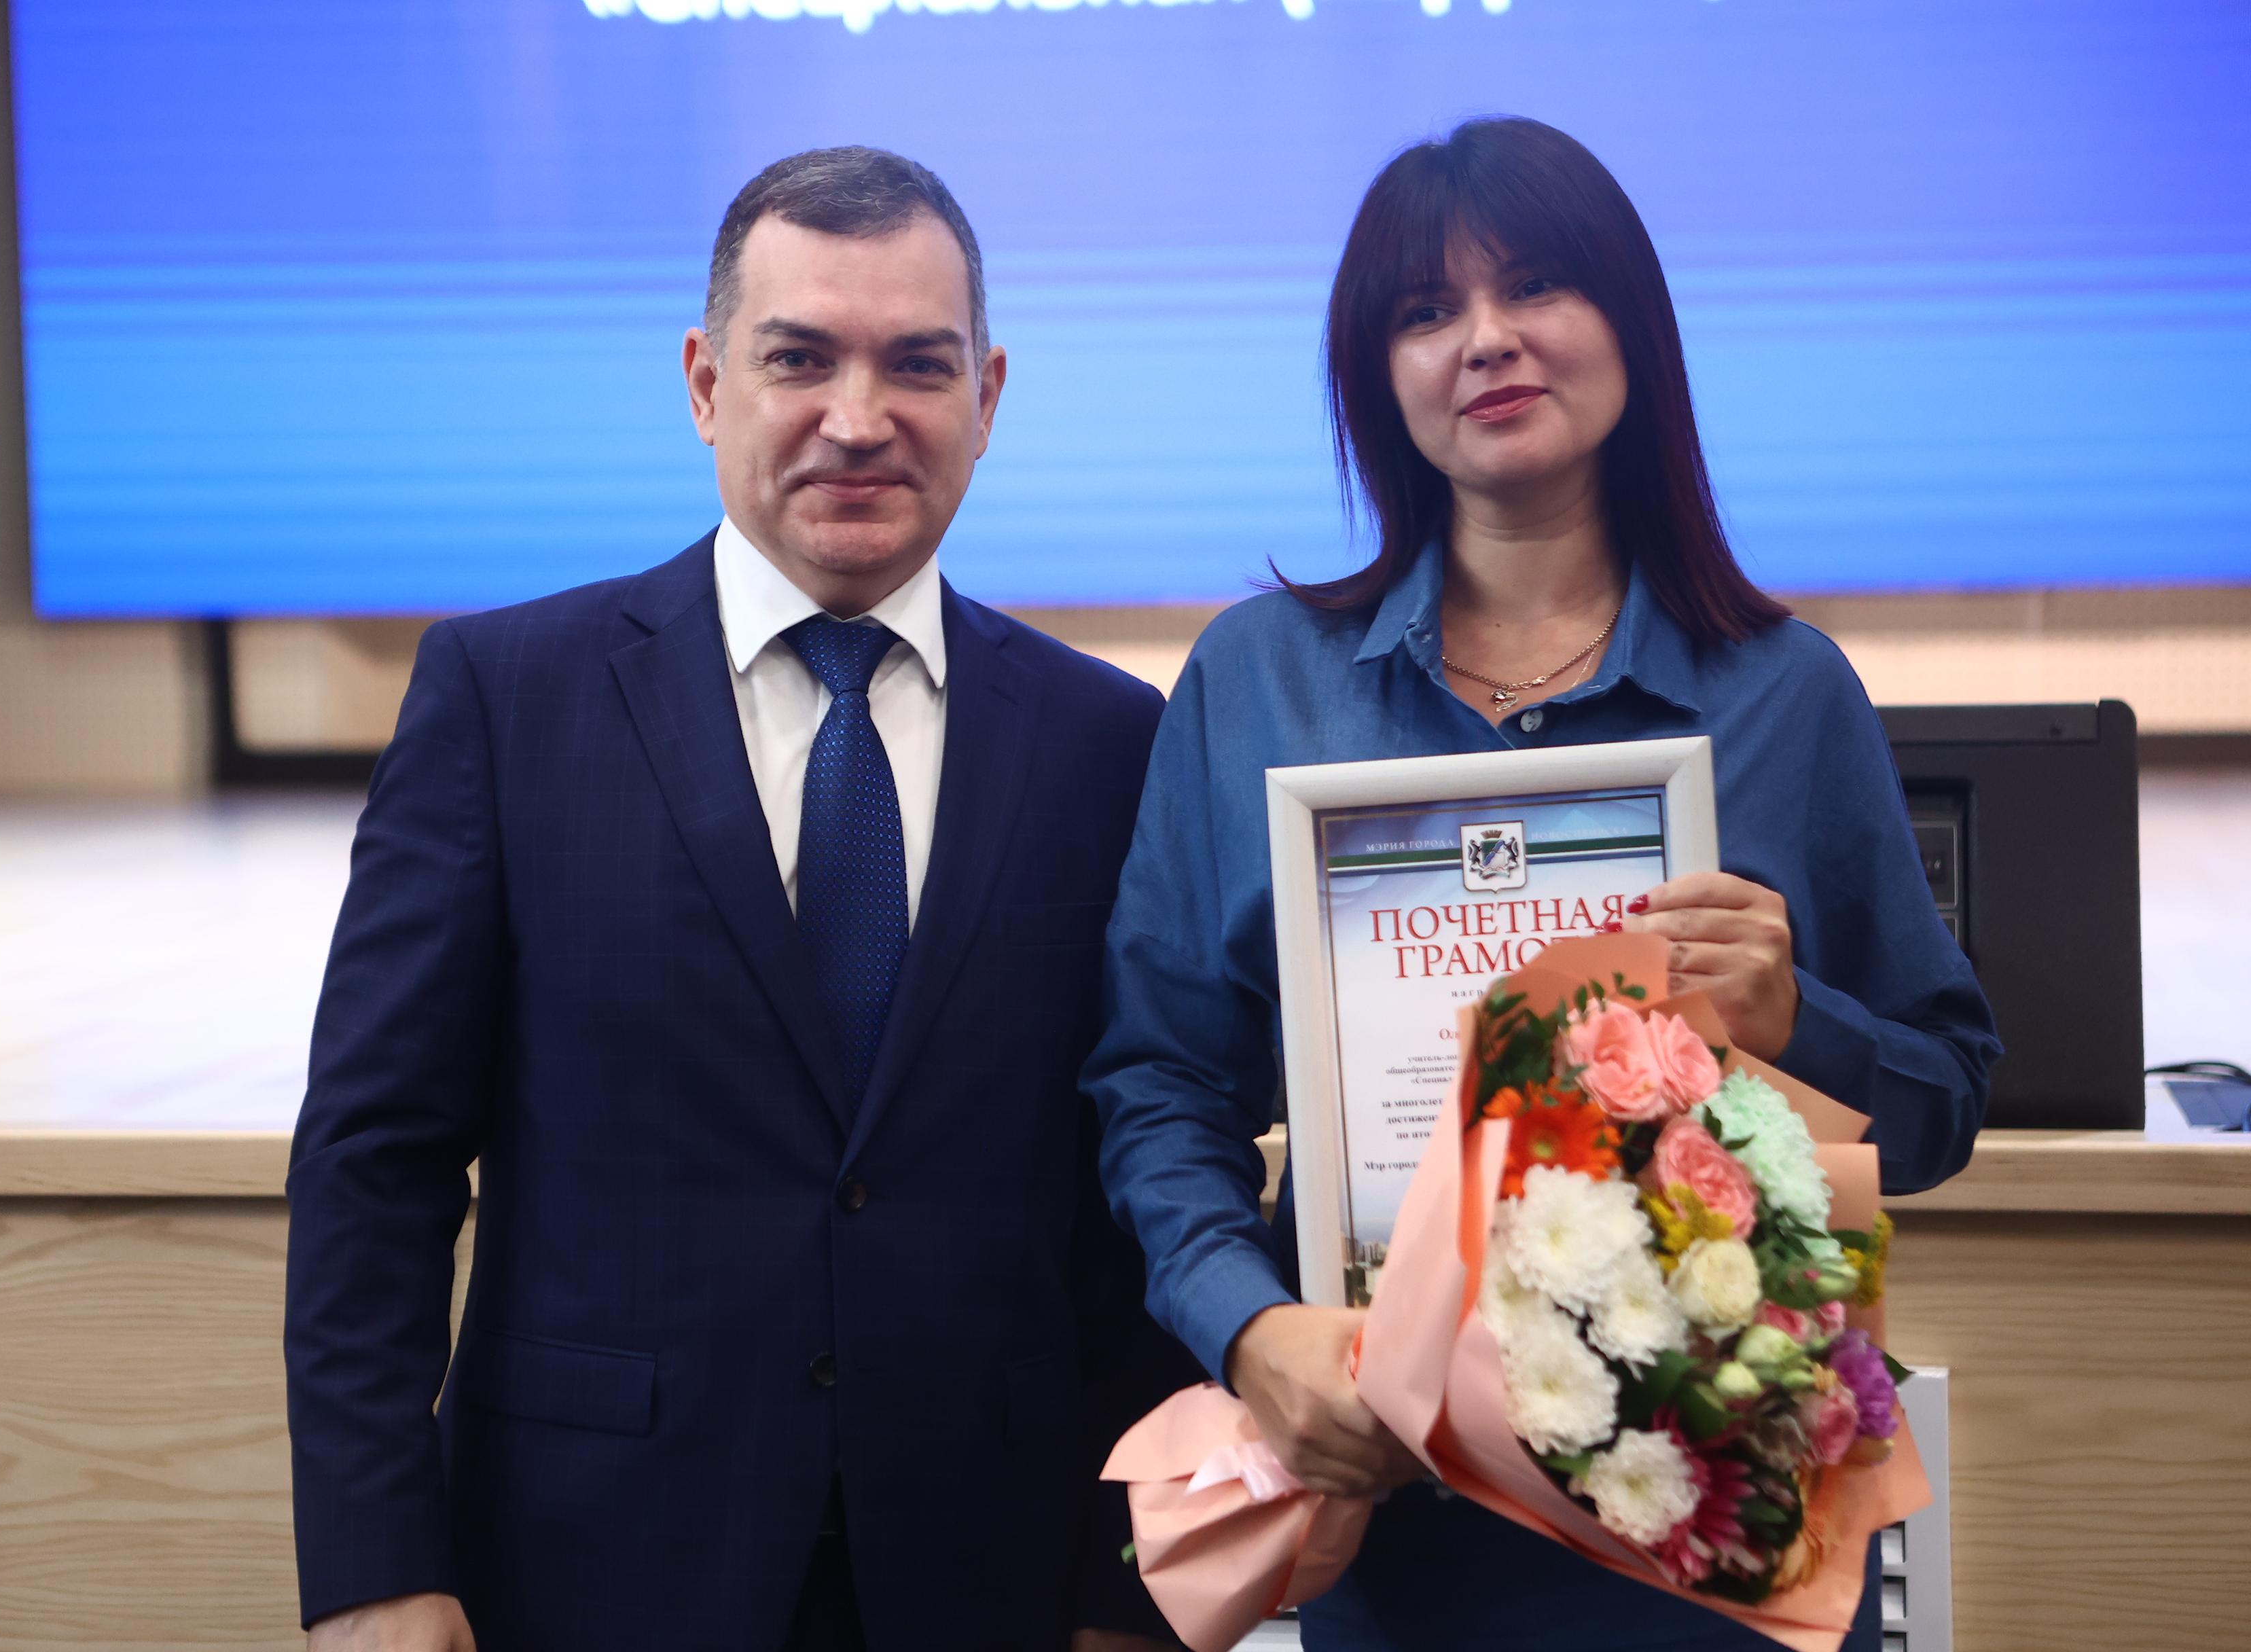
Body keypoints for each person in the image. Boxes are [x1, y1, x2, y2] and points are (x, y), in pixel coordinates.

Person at [1083, 118, 2000, 1651]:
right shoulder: (1260, 684)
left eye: (1535, 286)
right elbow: (1159, 1083)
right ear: (1378, 375)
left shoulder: (1787, 692)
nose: (1486, 339)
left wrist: (1797, 1023)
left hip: (1713, 1515)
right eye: (1424, 310)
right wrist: (1252, 1328)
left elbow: (1943, 1105)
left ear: (1629, 323)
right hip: (1401, 1519)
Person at [286, 147, 1194, 1652]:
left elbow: (1135, 1193)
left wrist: (1131, 1583)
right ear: (708, 384)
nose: (860, 417)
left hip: (998, 1574)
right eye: (799, 359)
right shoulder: (506, 700)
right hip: (594, 1568)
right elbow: (375, 1161)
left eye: (919, 364)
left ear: (988, 398)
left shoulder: (1108, 740)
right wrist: (374, 1566)